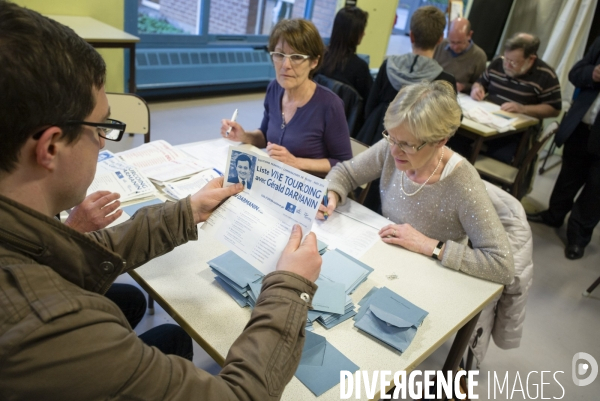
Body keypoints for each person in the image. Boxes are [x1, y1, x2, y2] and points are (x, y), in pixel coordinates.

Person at [0, 2, 322, 400]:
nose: (103, 141)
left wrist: (187, 210)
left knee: (162, 328)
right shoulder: (51, 329)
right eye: (101, 127)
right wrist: (293, 287)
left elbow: (61, 254)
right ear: (50, 145)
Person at [319, 81, 514, 285]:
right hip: (386, 263)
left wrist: (430, 245)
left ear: (440, 141)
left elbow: (502, 265)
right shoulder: (393, 145)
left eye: (406, 145)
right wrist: (330, 195)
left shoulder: (463, 183)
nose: (394, 151)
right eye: (390, 137)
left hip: (431, 279)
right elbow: (345, 173)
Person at [220, 19, 352, 176]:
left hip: (310, 188)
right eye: (279, 54)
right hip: (277, 180)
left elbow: (344, 163)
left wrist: (296, 162)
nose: (285, 65)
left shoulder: (330, 105)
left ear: (314, 62)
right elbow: (265, 136)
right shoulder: (274, 88)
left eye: (296, 57)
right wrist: (244, 135)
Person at [527, 35, 600, 260]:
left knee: (595, 191)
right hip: (581, 125)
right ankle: (554, 215)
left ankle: (578, 238)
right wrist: (593, 74)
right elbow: (576, 72)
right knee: (568, 176)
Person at [356, 5, 457, 147]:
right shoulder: (445, 81)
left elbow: (369, 107)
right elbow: (448, 128)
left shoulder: (388, 65)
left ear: (411, 36)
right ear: (440, 39)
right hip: (413, 150)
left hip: (374, 137)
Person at [469, 33, 561, 163]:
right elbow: (480, 82)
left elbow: (554, 109)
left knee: (496, 158)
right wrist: (476, 89)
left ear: (531, 59)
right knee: (455, 141)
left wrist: (523, 108)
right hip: (486, 120)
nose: (507, 65)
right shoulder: (498, 63)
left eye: (514, 62)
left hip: (515, 133)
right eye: (506, 59)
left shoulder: (546, 76)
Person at [317, 6, 373, 102]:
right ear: (354, 34)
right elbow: (369, 103)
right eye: (362, 30)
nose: (364, 34)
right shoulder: (360, 68)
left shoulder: (319, 58)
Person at [433, 17, 487, 94]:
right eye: (452, 42)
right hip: (433, 90)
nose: (455, 47)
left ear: (469, 35)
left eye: (459, 43)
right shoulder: (440, 45)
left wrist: (463, 86)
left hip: (457, 96)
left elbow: (478, 85)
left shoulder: (479, 56)